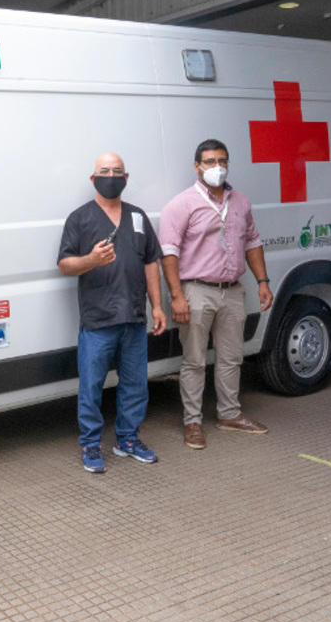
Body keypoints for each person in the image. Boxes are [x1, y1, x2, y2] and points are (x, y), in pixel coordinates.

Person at [159, 139, 273, 450]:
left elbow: (252, 242)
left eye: (222, 160)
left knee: (231, 358)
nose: (216, 167)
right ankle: (192, 423)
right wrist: (177, 296)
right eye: (209, 162)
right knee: (194, 361)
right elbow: (168, 253)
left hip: (232, 292)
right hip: (196, 291)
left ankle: (229, 414)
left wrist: (262, 281)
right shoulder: (181, 205)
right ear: (196, 166)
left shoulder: (240, 201)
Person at [57, 152, 167, 473]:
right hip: (98, 320)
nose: (111, 175)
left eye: (117, 170)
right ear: (93, 179)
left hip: (134, 317)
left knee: (136, 384)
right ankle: (91, 445)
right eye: (104, 171)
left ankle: (127, 440)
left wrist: (157, 306)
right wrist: (90, 260)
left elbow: (150, 262)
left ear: (126, 177)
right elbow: (64, 265)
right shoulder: (79, 219)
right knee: (91, 386)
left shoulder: (137, 217)